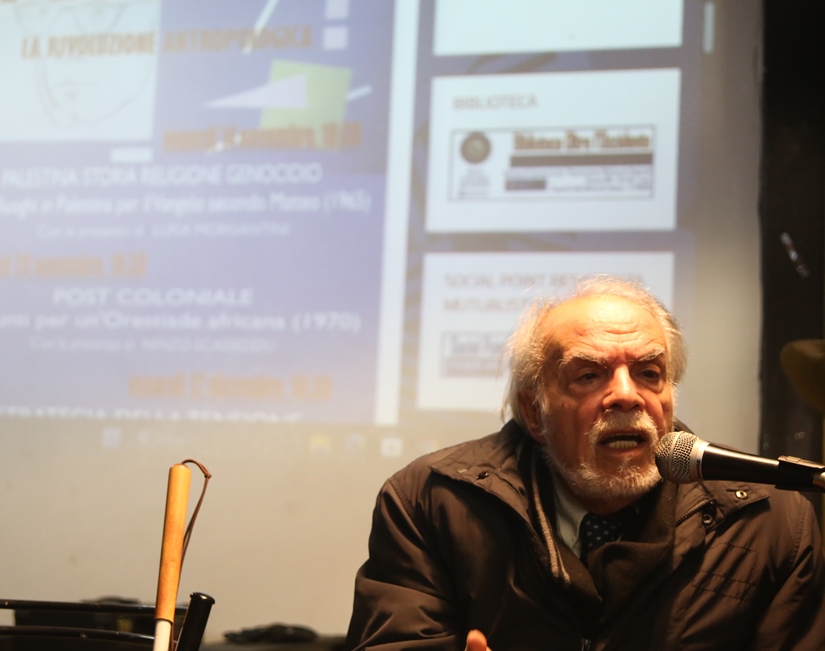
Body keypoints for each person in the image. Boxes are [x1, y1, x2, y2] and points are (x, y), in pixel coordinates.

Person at [346, 276, 825, 651]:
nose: (626, 395)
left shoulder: (771, 520)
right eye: (589, 375)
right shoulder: (432, 501)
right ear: (535, 411)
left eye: (649, 373)